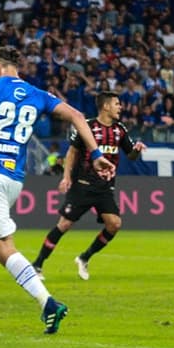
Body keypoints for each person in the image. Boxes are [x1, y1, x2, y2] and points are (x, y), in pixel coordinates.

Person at [0, 46, 115, 334]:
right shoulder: (37, 93)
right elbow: (77, 115)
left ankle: (48, 303)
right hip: (14, 179)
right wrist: (97, 153)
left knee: (2, 250)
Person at [32, 92, 146, 281]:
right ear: (106, 106)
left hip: (105, 188)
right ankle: (37, 264)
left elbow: (131, 156)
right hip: (83, 185)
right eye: (117, 104)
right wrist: (66, 177)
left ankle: (84, 257)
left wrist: (137, 150)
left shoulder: (120, 130)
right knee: (65, 224)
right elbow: (72, 151)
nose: (120, 107)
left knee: (114, 224)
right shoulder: (87, 126)